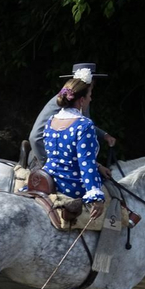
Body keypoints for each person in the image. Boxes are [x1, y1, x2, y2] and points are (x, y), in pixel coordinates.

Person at [41, 72, 108, 209]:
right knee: (114, 199)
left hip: (49, 179)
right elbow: (86, 163)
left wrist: (98, 166)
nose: (91, 99)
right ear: (82, 100)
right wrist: (95, 195)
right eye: (89, 96)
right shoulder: (84, 125)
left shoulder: (51, 121)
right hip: (71, 185)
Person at [28, 63, 114, 169]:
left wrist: (104, 135)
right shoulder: (61, 103)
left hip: (69, 162)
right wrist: (46, 164)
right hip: (47, 161)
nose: (93, 84)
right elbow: (35, 137)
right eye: (91, 81)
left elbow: (82, 126)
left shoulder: (83, 102)